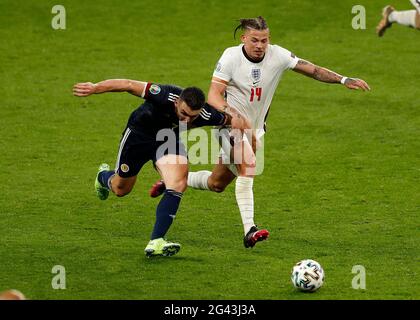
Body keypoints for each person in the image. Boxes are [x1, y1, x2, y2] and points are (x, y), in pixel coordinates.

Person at [151, 16, 370, 249]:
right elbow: (214, 94)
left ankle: (172, 182)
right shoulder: (231, 57)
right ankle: (250, 230)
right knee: (249, 164)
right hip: (229, 126)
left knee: (217, 183)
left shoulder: (279, 55)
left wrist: (343, 79)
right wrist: (232, 115)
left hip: (256, 131)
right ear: (244, 38)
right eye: (254, 40)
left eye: (264, 41)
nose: (260, 45)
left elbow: (313, 70)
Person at [73, 79, 229, 257]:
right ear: (177, 102)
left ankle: (157, 241)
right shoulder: (164, 94)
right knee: (120, 188)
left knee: (178, 183)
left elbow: (234, 120)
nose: (187, 120)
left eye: (192, 117)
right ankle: (102, 176)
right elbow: (128, 85)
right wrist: (95, 88)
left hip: (167, 140)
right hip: (138, 138)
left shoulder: (206, 114)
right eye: (183, 113)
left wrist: (250, 131)